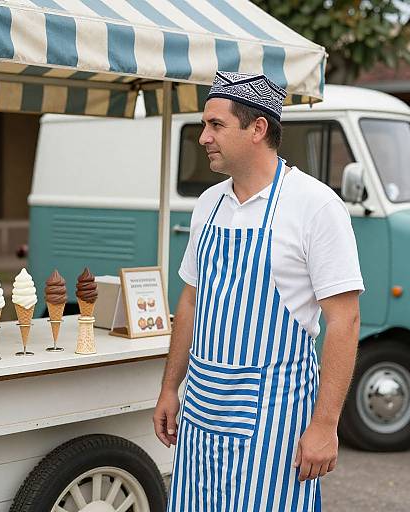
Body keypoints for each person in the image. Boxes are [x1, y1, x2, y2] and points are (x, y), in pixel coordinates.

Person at [153, 70, 364, 511]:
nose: (203, 137)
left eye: (216, 125)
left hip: (275, 421)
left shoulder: (316, 205)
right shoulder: (209, 204)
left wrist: (325, 424)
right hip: (202, 411)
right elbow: (191, 300)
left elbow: (343, 321)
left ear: (258, 128)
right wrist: (170, 388)